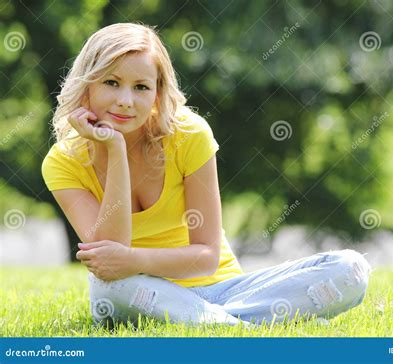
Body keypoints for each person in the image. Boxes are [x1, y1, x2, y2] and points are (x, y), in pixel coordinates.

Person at [42, 23, 371, 327]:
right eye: (111, 82)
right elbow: (109, 259)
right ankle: (246, 326)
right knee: (107, 287)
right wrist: (114, 149)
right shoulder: (63, 162)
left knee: (351, 270)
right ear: (87, 86)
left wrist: (130, 259)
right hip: (139, 293)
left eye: (141, 87)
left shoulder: (189, 135)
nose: (126, 101)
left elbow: (205, 258)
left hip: (225, 290)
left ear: (157, 94)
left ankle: (216, 323)